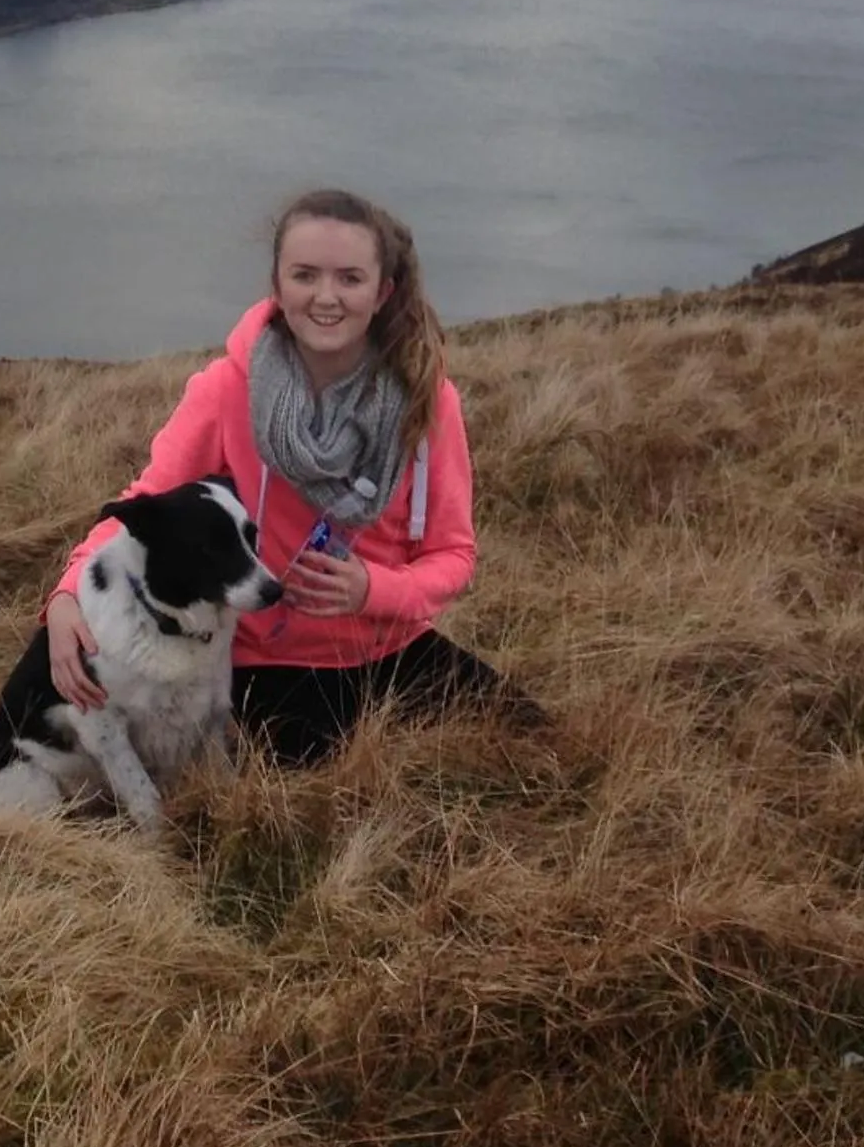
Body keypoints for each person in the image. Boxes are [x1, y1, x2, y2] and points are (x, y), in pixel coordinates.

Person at [39, 187, 518, 769]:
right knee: (320, 803)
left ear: (382, 290)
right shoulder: (225, 390)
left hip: (391, 645)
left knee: (529, 745)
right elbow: (148, 503)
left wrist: (373, 590)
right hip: (265, 662)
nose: (326, 297)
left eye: (349, 278)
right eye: (305, 275)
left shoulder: (427, 402)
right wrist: (66, 594)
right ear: (277, 284)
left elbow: (454, 553)